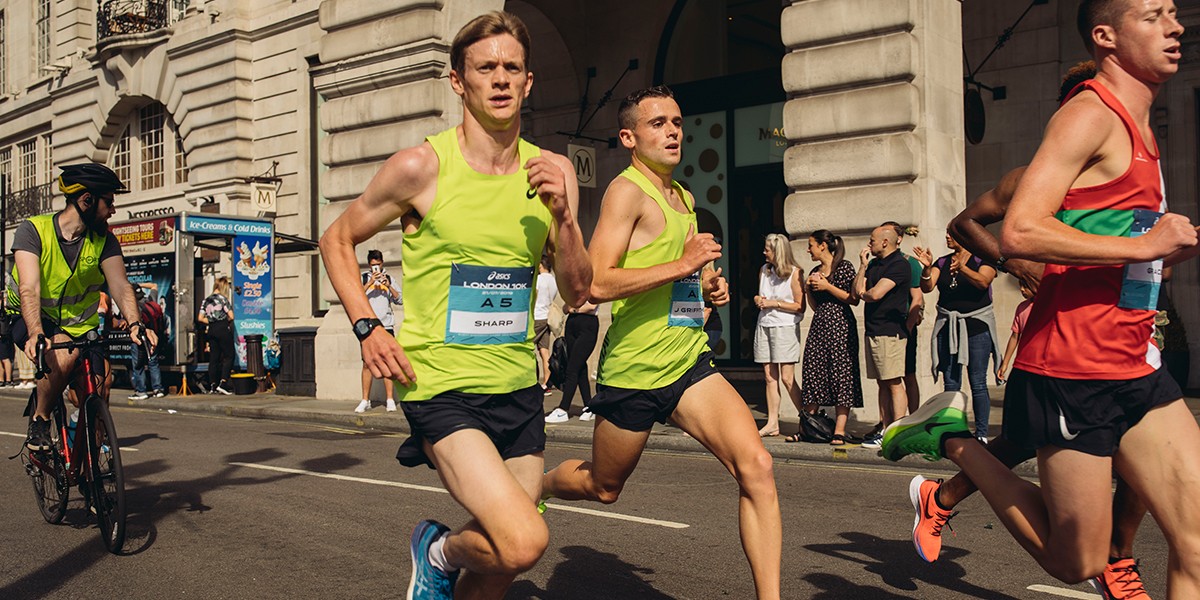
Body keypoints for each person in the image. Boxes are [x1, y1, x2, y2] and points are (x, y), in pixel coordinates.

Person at [883, 2, 1200, 595]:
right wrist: (1129, 250)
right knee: (1075, 562)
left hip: (1134, 356)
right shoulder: (1088, 116)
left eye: (1175, 13)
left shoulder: (1143, 130)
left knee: (1196, 541)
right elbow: (1020, 228)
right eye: (1154, 16)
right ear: (1106, 37)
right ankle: (951, 444)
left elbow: (1122, 243)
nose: (1175, 27)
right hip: (1073, 365)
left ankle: (1120, 557)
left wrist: (1158, 253)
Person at [318, 11, 591, 600]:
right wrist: (368, 327)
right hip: (439, 383)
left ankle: (444, 567)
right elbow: (335, 239)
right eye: (485, 67)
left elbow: (577, 290)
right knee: (523, 539)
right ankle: (436, 551)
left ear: (528, 83)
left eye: (511, 68)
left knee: (499, 567)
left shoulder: (554, 172)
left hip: (517, 384)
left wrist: (565, 218)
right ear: (457, 81)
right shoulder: (422, 167)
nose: (499, 78)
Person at [542, 85, 780, 600]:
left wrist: (707, 284)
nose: (673, 131)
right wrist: (684, 265)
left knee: (756, 466)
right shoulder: (625, 192)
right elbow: (596, 284)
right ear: (629, 137)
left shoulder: (684, 197)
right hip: (634, 370)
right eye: (658, 124)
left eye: (676, 122)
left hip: (688, 360)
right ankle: (534, 487)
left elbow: (683, 277)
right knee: (603, 487)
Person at [12, 163, 155, 451]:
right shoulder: (33, 231)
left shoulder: (104, 240)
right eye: (109, 202)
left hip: (82, 326)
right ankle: (40, 419)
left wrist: (136, 324)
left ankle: (94, 479)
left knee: (101, 387)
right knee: (64, 354)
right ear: (86, 201)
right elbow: (30, 288)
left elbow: (119, 285)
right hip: (33, 320)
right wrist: (37, 332)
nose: (113, 210)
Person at [913, 232, 1000, 443]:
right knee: (951, 383)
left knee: (978, 381)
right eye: (946, 234)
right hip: (948, 328)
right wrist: (926, 268)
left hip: (977, 328)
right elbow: (927, 286)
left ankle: (980, 434)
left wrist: (963, 269)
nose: (947, 237)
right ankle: (953, 431)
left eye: (952, 234)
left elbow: (983, 282)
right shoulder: (942, 262)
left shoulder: (982, 259)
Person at [797, 229, 862, 445]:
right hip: (820, 326)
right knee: (813, 372)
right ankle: (807, 427)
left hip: (841, 326)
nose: (809, 249)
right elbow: (815, 307)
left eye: (811, 245)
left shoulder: (844, 267)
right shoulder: (815, 270)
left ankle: (839, 431)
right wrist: (808, 290)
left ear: (823, 245)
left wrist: (827, 286)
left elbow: (852, 299)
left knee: (841, 374)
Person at [853, 224, 911, 449]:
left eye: (873, 240)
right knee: (882, 382)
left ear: (886, 242)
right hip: (874, 330)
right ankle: (885, 428)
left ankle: (897, 432)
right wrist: (862, 265)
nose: (870, 243)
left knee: (894, 382)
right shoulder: (875, 264)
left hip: (890, 332)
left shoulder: (899, 265)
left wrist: (865, 292)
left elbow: (874, 293)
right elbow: (857, 292)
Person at [753, 233, 806, 437]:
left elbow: (800, 306)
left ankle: (805, 419)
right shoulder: (765, 271)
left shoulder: (795, 273)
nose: (764, 252)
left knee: (786, 377)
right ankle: (772, 423)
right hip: (765, 324)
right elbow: (761, 295)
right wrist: (758, 298)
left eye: (767, 249)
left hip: (784, 327)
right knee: (769, 376)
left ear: (778, 251)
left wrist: (773, 303)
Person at [881, 221, 925, 416]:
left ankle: (914, 418)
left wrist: (907, 327)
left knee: (908, 374)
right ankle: (885, 422)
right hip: (883, 328)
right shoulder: (877, 262)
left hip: (903, 327)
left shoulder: (909, 263)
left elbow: (917, 297)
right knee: (885, 378)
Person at [356, 249, 403, 413]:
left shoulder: (388, 278)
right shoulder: (363, 278)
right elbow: (355, 296)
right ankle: (365, 400)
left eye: (378, 265)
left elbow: (400, 300)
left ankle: (390, 399)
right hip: (368, 326)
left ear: (382, 263)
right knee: (367, 363)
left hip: (386, 325)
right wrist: (369, 283)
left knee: (388, 361)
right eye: (373, 266)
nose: (376, 268)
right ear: (369, 265)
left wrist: (388, 286)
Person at [544, 300, 599, 422]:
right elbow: (565, 308)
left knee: (572, 369)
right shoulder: (575, 286)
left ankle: (563, 409)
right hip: (572, 324)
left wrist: (573, 308)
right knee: (580, 368)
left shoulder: (593, 284)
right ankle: (589, 407)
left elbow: (591, 306)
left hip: (587, 324)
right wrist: (571, 307)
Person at [127, 286, 167, 399]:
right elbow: (154, 286)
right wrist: (141, 284)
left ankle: (141, 391)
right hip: (154, 336)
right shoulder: (151, 300)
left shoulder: (134, 307)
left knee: (138, 365)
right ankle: (158, 389)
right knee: (153, 363)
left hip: (140, 338)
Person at [198, 276, 235, 395]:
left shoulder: (206, 300)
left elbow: (200, 318)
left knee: (214, 358)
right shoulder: (223, 299)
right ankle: (223, 383)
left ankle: (213, 385)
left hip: (211, 330)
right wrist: (223, 321)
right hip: (222, 329)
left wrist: (212, 321)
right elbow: (231, 316)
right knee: (229, 356)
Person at [996, 283, 1035, 385]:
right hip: (1025, 361)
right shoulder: (1022, 307)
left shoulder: (1047, 307)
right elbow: (1015, 336)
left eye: (1026, 286)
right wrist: (1005, 363)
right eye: (1020, 286)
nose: (1022, 289)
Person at [533, 256, 558, 392]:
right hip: (547, 318)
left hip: (537, 316)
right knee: (544, 351)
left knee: (528, 348)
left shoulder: (539, 279)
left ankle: (533, 382)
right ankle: (547, 384)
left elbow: (534, 296)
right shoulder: (553, 280)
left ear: (540, 265)